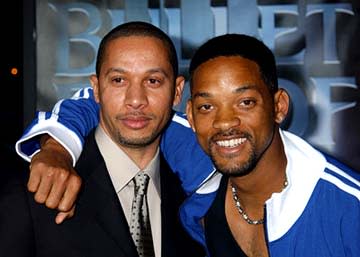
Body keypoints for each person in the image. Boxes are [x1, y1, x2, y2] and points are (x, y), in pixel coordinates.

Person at [14, 33, 360, 256]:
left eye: (246, 102)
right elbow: (97, 101)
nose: (225, 122)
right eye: (208, 106)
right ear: (191, 112)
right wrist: (57, 148)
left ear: (279, 106)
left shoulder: (345, 208)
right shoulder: (191, 148)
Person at [1, 21, 205, 257]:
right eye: (119, 80)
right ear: (96, 89)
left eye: (153, 81)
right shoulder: (35, 185)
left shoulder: (197, 191)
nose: (136, 99)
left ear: (177, 91)